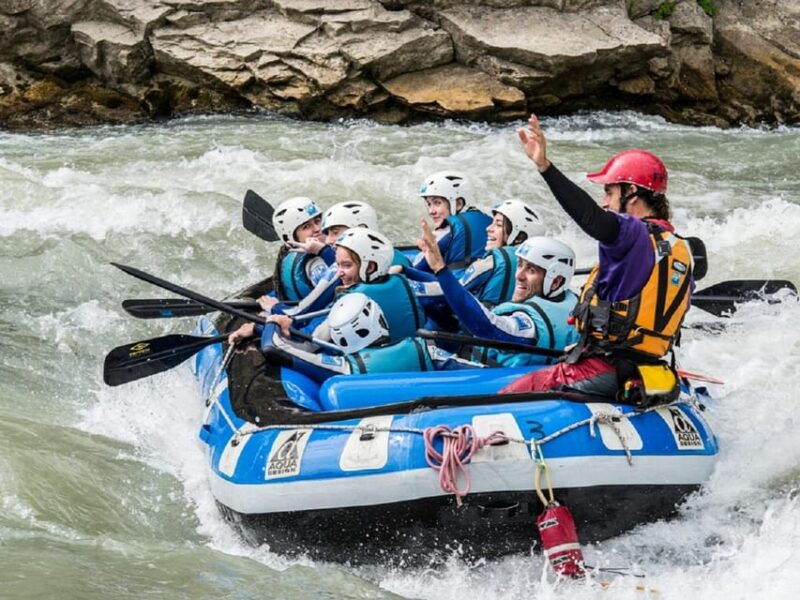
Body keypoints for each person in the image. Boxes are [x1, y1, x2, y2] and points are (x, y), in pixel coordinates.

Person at [501, 114, 694, 405]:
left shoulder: (632, 234)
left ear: (631, 193)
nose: (604, 201)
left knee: (509, 394)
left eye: (609, 191)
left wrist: (545, 167)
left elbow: (592, 219)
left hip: (608, 367)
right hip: (645, 370)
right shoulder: (679, 247)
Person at [417, 221, 579, 367]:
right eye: (520, 265)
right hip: (483, 356)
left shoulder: (531, 326)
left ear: (556, 281)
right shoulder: (572, 302)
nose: (519, 275)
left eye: (531, 270)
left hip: (494, 381)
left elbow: (487, 327)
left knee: (419, 353)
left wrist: (440, 267)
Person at [230, 227, 426, 346]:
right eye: (338, 265)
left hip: (372, 369)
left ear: (371, 265)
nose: (338, 272)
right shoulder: (400, 281)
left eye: (346, 266)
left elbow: (310, 344)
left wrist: (260, 329)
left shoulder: (352, 301)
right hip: (410, 353)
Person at [250, 293, 482, 384]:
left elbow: (274, 348)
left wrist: (271, 322)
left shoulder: (345, 368)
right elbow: (479, 372)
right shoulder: (424, 350)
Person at [412, 171, 492, 272]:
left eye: (437, 203)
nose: (431, 211)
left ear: (458, 204)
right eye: (429, 204)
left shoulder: (450, 232)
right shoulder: (490, 220)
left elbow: (418, 270)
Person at [270, 196, 330, 302]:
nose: (317, 229)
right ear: (291, 237)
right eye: (306, 227)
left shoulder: (286, 252)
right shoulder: (317, 264)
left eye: (317, 221)